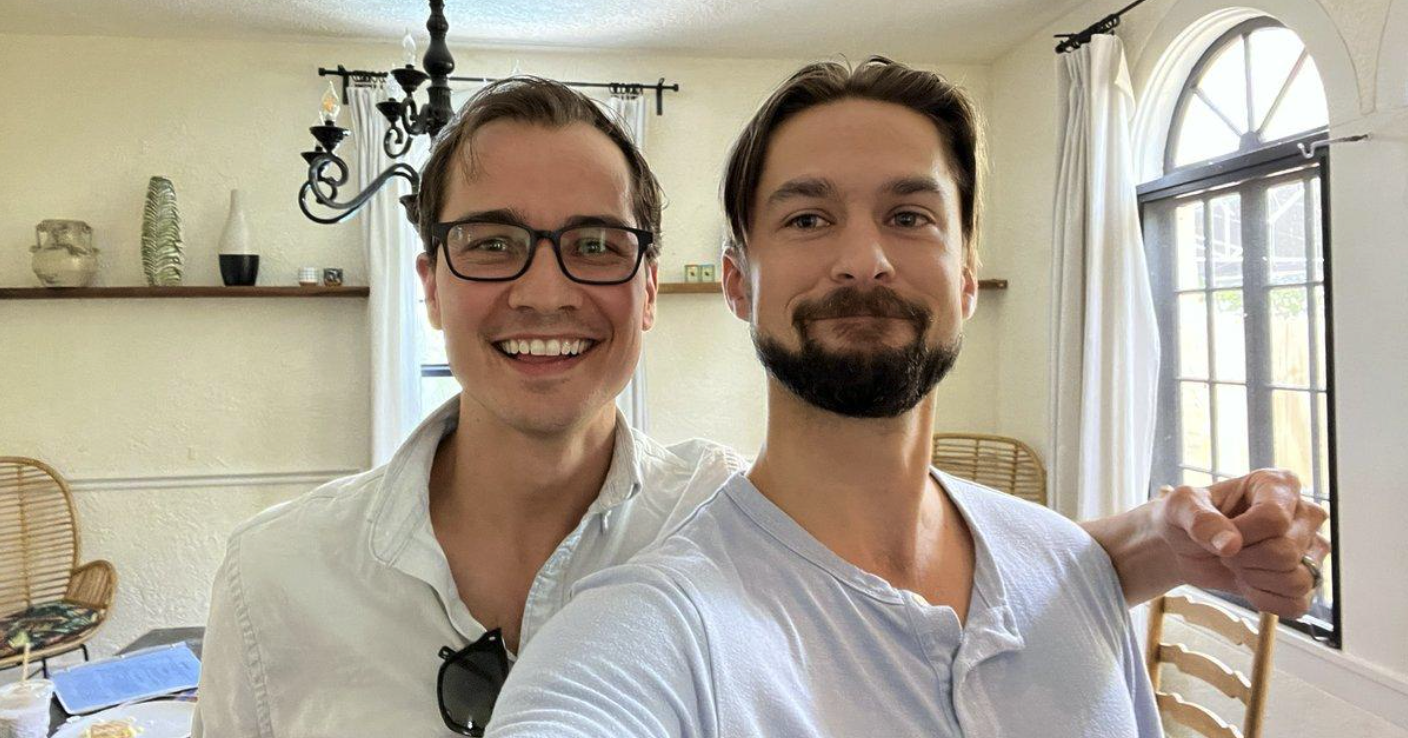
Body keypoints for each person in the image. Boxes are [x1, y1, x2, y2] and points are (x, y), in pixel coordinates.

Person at [192, 73, 1329, 738]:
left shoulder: (724, 501)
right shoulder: (274, 578)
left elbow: (913, 584)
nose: (544, 290)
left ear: (653, 288)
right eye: (492, 244)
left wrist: (1148, 544)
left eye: (595, 245)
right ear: (429, 283)